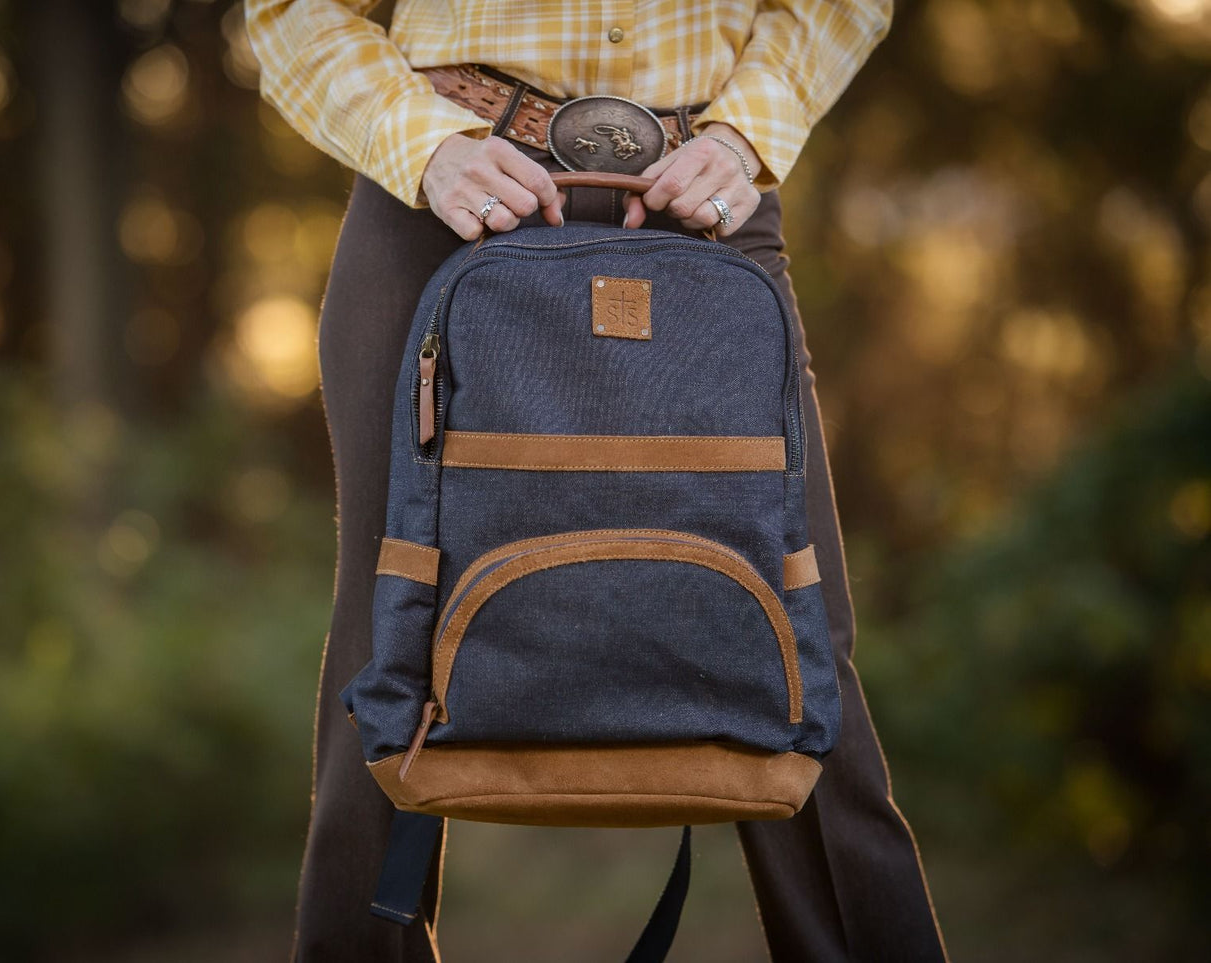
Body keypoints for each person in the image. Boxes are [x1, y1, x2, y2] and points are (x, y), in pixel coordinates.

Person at [245, 2, 950, 960]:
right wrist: (420, 143)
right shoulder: (432, 162)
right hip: (442, 188)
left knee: (799, 623)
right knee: (382, 622)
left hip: (703, 190)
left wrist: (749, 131)